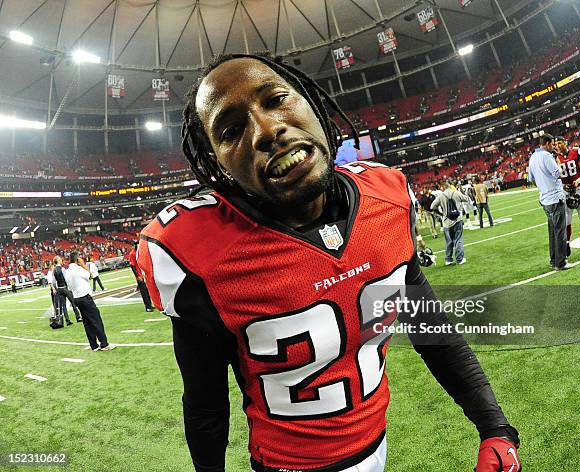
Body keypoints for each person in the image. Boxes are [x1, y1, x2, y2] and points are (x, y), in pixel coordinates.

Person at [137, 53, 520, 472]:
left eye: (275, 99)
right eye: (231, 130)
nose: (267, 130)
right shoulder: (200, 257)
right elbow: (206, 407)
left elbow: (432, 330)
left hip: (378, 444)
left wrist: (495, 427)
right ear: (217, 164)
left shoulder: (386, 200)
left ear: (311, 103)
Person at [528, 133, 568, 270]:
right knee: (560, 232)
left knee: (552, 231)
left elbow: (531, 179)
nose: (553, 146)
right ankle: (561, 262)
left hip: (544, 199)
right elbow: (559, 173)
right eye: (552, 144)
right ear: (547, 143)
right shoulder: (547, 156)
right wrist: (558, 162)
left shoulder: (532, 157)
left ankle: (553, 260)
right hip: (555, 198)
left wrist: (542, 185)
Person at [65, 252, 113, 351]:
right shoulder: (78, 269)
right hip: (84, 297)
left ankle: (94, 345)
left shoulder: (67, 271)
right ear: (77, 259)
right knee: (96, 320)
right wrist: (83, 265)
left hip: (76, 298)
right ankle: (104, 344)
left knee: (87, 322)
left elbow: (69, 287)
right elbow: (90, 275)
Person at [431, 181, 469, 265]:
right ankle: (459, 259)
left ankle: (448, 259)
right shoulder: (456, 193)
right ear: (450, 186)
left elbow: (432, 206)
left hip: (446, 222)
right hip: (457, 219)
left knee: (449, 241)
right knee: (458, 240)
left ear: (443, 187)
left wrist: (441, 214)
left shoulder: (441, 196)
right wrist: (462, 191)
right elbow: (466, 199)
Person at [48, 256, 82, 325]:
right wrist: (69, 288)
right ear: (57, 260)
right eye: (60, 259)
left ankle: (67, 320)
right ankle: (78, 317)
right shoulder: (62, 269)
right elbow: (66, 279)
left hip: (59, 289)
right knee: (73, 302)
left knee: (64, 306)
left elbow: (54, 282)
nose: (61, 260)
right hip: (64, 287)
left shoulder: (54, 270)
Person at [127, 243, 154, 312]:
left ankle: (150, 304)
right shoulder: (132, 254)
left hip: (145, 274)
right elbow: (132, 266)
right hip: (140, 275)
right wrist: (137, 276)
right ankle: (147, 307)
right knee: (144, 291)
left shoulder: (141, 252)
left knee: (148, 290)